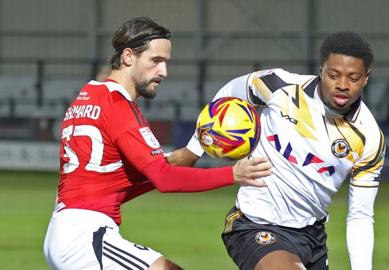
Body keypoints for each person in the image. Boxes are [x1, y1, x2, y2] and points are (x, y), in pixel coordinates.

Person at [43, 16, 271, 270]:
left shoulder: (89, 96)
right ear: (128, 57)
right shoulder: (119, 107)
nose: (164, 71)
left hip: (66, 229)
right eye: (156, 61)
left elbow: (112, 181)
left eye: (165, 62)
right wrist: (232, 174)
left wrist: (181, 158)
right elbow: (164, 178)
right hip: (85, 237)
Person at [183, 31, 385, 270]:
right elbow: (230, 93)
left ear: (366, 78)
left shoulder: (370, 137)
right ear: (321, 69)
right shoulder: (280, 86)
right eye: (333, 75)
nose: (342, 85)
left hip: (312, 238)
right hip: (255, 224)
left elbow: (360, 215)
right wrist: (194, 150)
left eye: (353, 78)